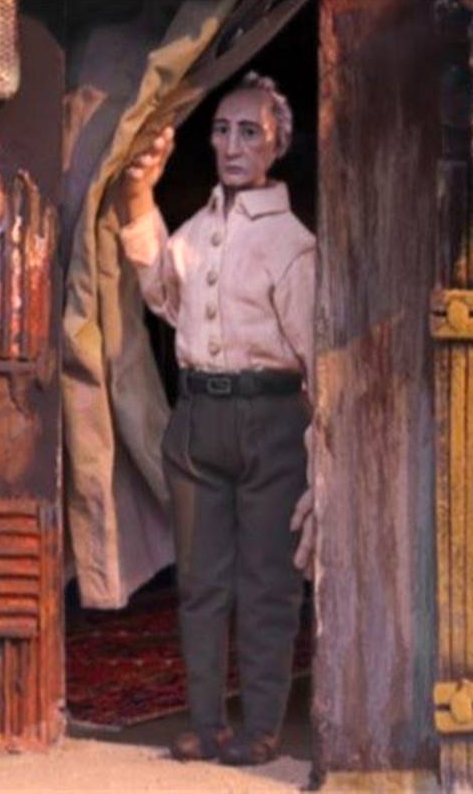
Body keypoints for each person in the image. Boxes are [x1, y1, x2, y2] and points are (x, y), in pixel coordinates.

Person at [116, 72, 316, 766]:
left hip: (270, 420)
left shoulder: (292, 245)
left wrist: (320, 451)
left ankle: (260, 726)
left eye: (250, 132)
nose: (233, 146)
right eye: (223, 130)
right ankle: (206, 724)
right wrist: (138, 197)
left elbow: (316, 357)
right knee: (201, 581)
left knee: (267, 582)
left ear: (276, 145)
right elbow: (160, 290)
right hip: (199, 418)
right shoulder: (198, 230)